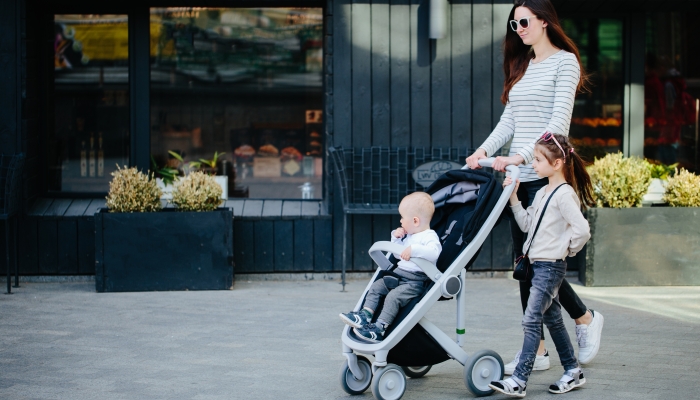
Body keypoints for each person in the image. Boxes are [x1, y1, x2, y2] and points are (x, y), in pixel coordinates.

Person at [465, 0, 603, 373]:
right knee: (526, 264)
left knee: (544, 264)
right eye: (514, 24)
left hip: (546, 178)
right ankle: (541, 349)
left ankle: (584, 320)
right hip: (518, 178)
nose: (519, 28)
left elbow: (556, 125)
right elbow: (509, 120)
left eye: (524, 21)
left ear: (544, 21)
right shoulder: (522, 65)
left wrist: (519, 157)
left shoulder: (565, 62)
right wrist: (484, 150)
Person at [490, 132, 593, 397]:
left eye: (537, 159)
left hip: (550, 267)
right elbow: (527, 225)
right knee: (554, 320)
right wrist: (514, 197)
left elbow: (582, 230)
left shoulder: (564, 194)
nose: (532, 164)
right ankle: (573, 371)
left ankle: (520, 379)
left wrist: (565, 250)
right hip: (537, 266)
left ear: (557, 163)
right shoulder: (543, 193)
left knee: (531, 318)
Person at [339, 192, 441, 343]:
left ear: (415, 220)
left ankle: (379, 328)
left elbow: (434, 253)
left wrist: (414, 249)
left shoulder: (429, 236)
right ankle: (364, 315)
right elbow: (399, 254)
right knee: (377, 286)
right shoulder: (410, 234)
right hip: (399, 275)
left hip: (414, 282)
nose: (400, 221)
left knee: (393, 297)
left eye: (402, 218)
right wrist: (397, 238)